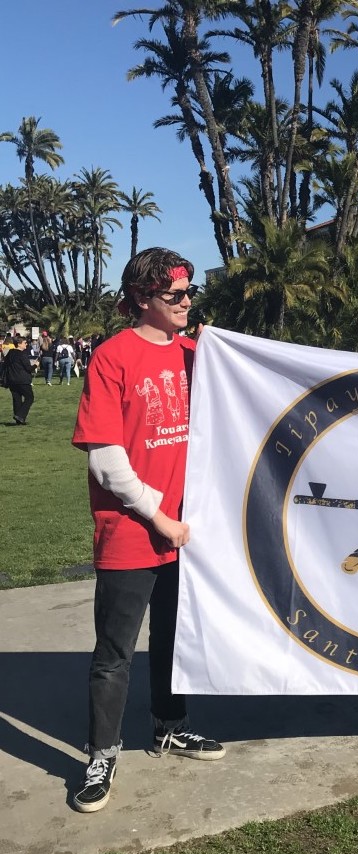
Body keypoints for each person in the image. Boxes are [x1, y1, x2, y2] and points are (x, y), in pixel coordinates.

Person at [70, 247, 225, 814]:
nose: (187, 303)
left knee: (173, 638)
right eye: (174, 295)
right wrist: (159, 516)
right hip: (134, 530)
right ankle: (101, 752)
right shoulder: (112, 357)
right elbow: (105, 461)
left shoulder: (196, 355)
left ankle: (170, 725)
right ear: (142, 298)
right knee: (114, 652)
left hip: (189, 529)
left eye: (189, 293)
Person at [5, 336, 35, 424]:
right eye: (25, 343)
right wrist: (36, 365)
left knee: (16, 398)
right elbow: (28, 368)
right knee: (29, 397)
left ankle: (19, 419)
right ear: (19, 344)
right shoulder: (22, 354)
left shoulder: (10, 353)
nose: (26, 345)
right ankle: (20, 415)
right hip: (22, 380)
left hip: (11, 379)